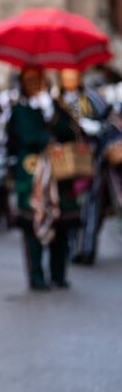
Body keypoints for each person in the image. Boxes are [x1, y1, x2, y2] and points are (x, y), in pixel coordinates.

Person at [6, 66, 82, 290]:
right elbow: (26, 136)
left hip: (59, 173)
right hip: (32, 175)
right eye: (29, 80)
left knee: (61, 224)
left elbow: (71, 131)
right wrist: (44, 135)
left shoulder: (56, 105)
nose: (34, 84)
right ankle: (36, 276)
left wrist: (51, 113)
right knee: (33, 225)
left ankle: (58, 273)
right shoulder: (20, 109)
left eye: (38, 79)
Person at [55, 68, 109, 265]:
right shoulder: (56, 100)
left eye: (73, 75)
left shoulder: (91, 98)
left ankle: (86, 250)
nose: (69, 79)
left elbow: (108, 121)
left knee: (90, 204)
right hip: (65, 162)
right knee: (68, 205)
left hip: (90, 159)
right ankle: (68, 248)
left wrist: (92, 127)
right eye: (65, 75)